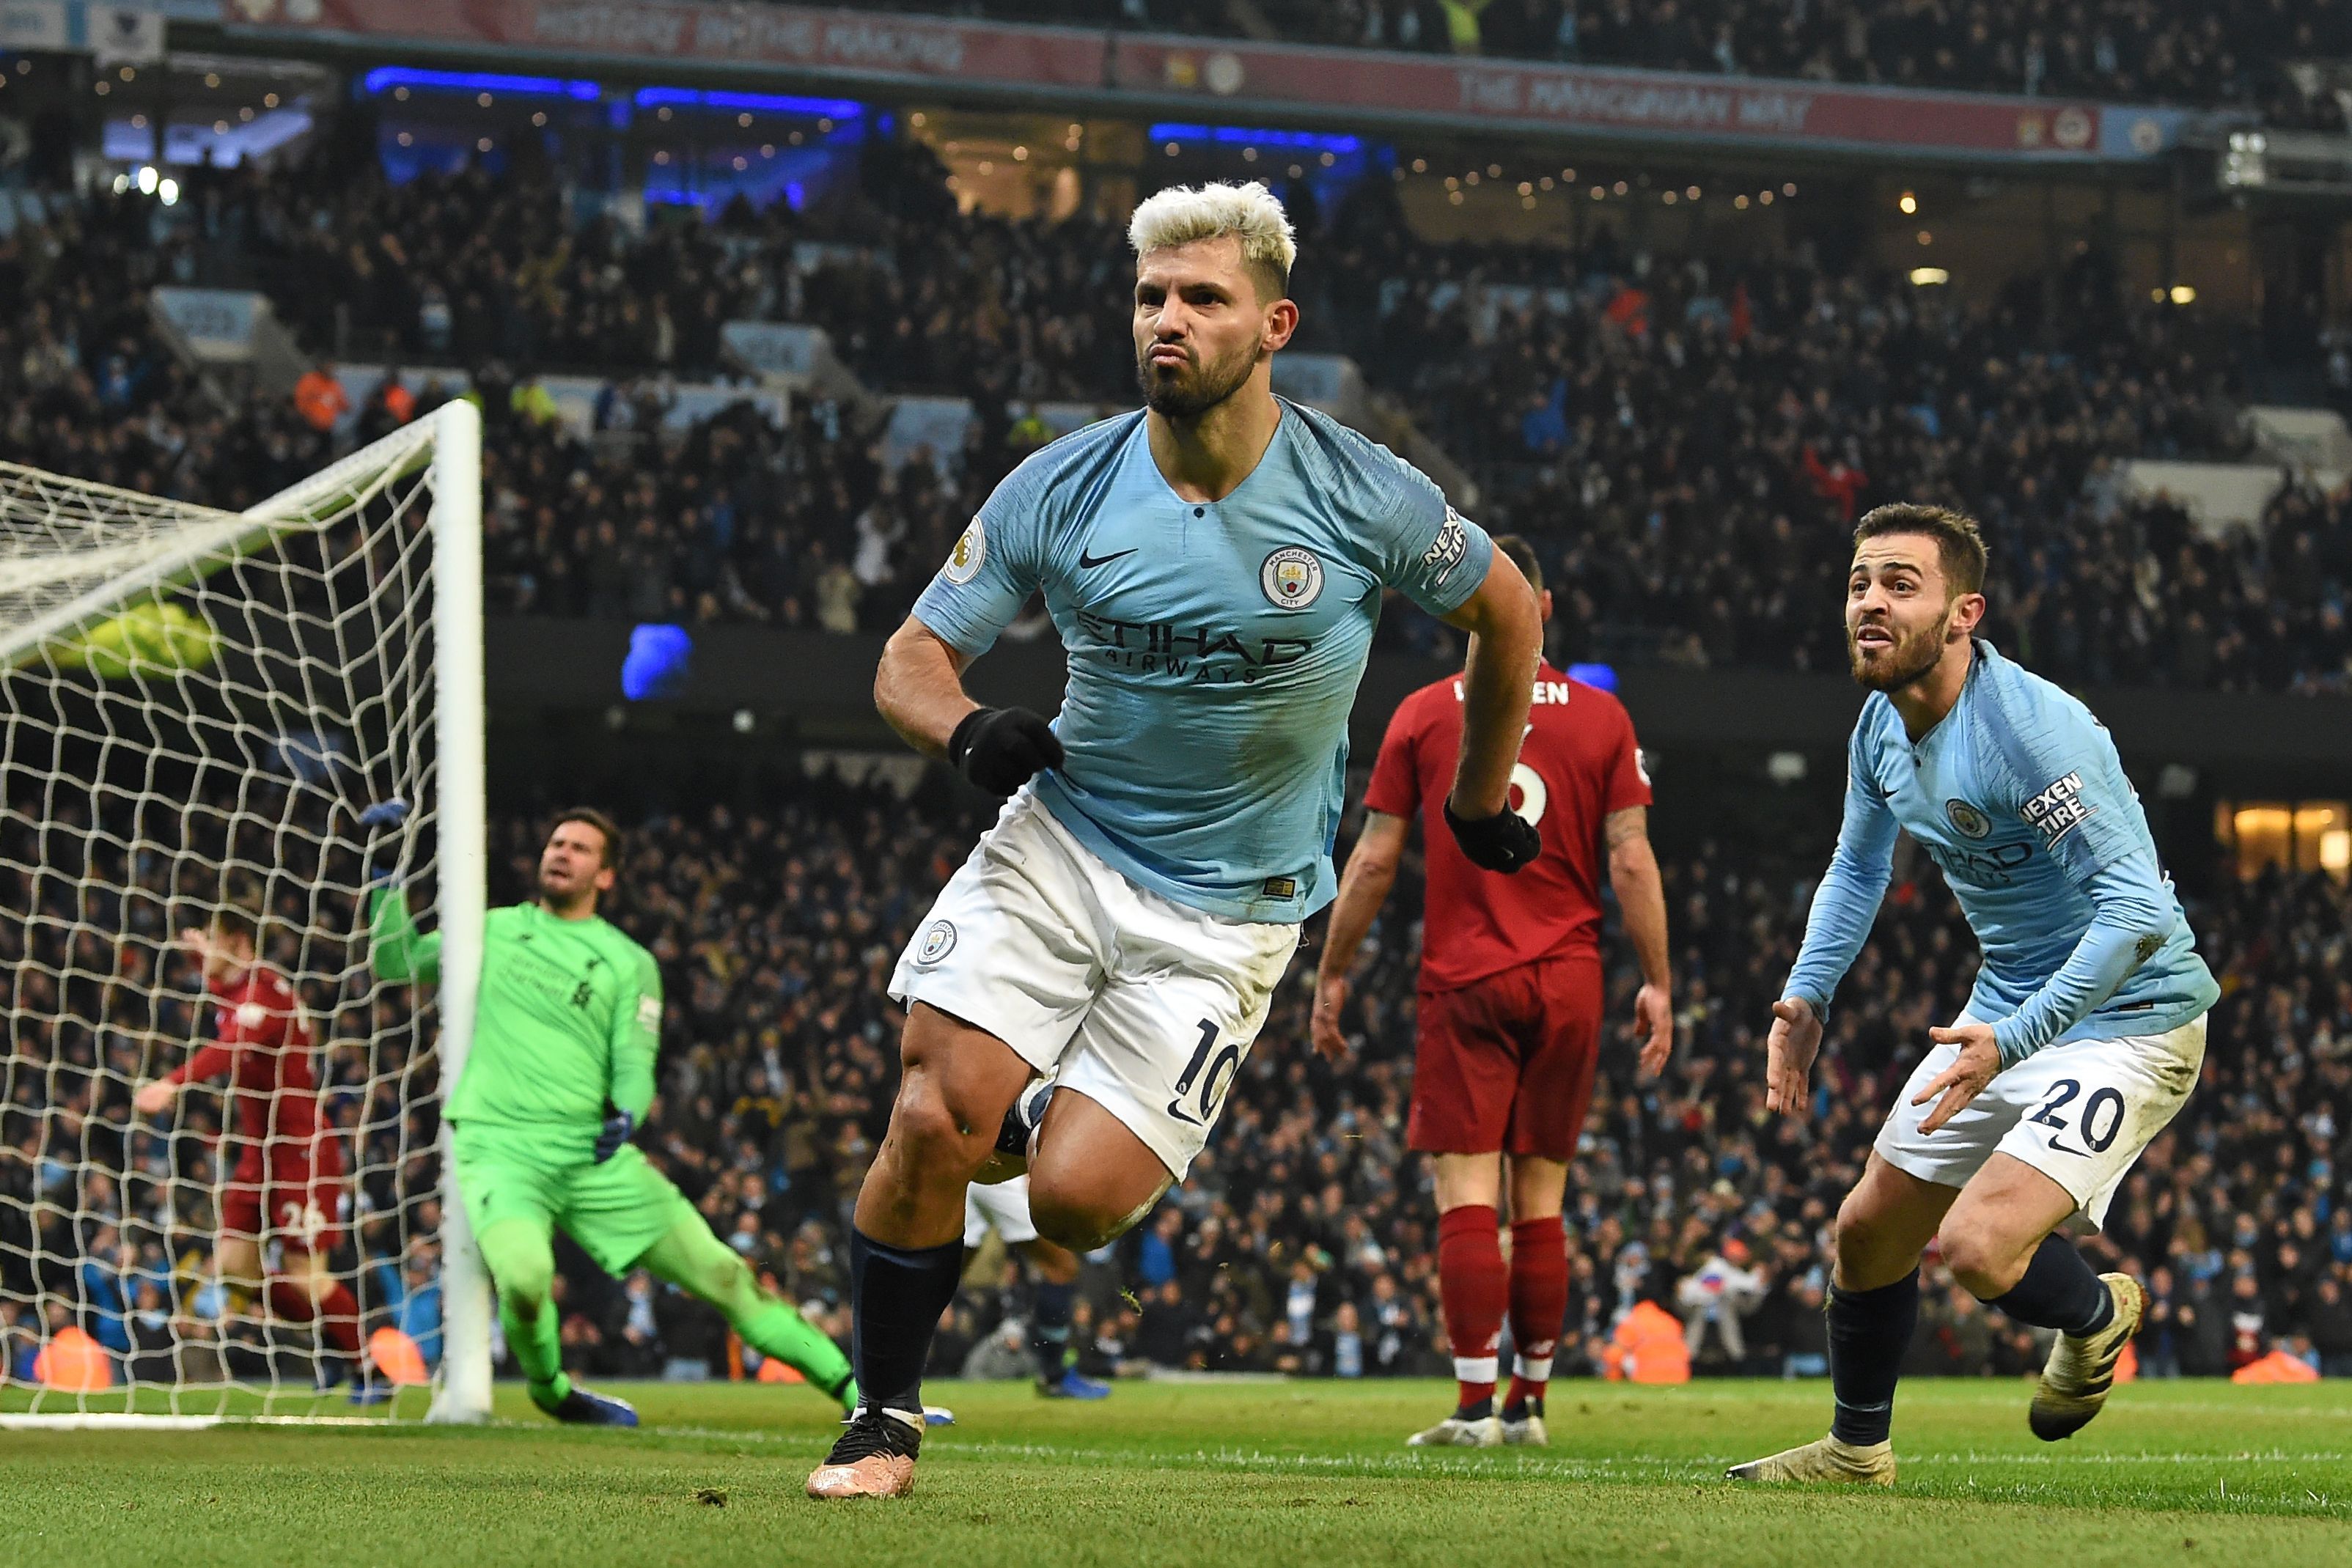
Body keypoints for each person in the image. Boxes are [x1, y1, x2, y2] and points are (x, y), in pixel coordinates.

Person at [806, 180, 1543, 1499]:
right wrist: (968, 731)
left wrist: (1478, 799)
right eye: (1150, 295)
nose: (1167, 319)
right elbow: (910, 656)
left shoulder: (1359, 490)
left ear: (1272, 324)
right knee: (926, 1110)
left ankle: (1038, 1101)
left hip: (1233, 908)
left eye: (1201, 298)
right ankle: (881, 1420)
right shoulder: (1062, 482)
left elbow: (1508, 611)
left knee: (1075, 1205)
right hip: (1064, 841)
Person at [1729, 504, 2220, 1487]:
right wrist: (1806, 997)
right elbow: (1858, 870)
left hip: (2133, 1016)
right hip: (2010, 1013)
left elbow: (2131, 911)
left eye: (1901, 584)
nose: (1871, 601)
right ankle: (1857, 1450)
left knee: (1980, 1247)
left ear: (1964, 613)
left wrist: (2018, 1033)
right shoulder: (1880, 722)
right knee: (1868, 1230)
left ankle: (2098, 1314)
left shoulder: (2032, 734)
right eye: (1862, 582)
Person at [1312, 534, 1672, 1449]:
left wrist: (1335, 970)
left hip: (1466, 977)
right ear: (1544, 609)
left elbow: (1376, 859)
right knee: (1540, 1197)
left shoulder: (1426, 715)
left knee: (1467, 1193)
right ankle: (1531, 1407)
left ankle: (1474, 1405)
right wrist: (1659, 982)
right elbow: (1630, 858)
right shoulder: (1602, 719)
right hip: (1571, 977)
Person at [367, 806, 879, 1427]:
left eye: (580, 848)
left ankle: (863, 1398)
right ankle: (553, 1390)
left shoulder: (627, 961)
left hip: (593, 1153)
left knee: (722, 1272)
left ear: (605, 876)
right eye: (556, 842)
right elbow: (396, 963)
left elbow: (634, 1058)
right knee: (526, 1281)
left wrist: (628, 1112)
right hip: (501, 1148)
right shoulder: (494, 929)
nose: (561, 853)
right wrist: (385, 878)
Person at [133, 886, 370, 1397]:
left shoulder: (262, 994)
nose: (204, 957)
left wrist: (171, 1082)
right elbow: (226, 1002)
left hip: (300, 1149)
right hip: (258, 1151)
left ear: (240, 943)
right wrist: (201, 952)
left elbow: (230, 1045)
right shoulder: (238, 989)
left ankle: (369, 1367)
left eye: (214, 942)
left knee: (307, 1273)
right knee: (237, 1270)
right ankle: (334, 1336)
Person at [964, 1176, 1112, 1399]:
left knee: (939, 1275)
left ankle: (899, 1392)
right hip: (999, 1176)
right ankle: (1053, 1376)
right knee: (1061, 1268)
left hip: (968, 1170)